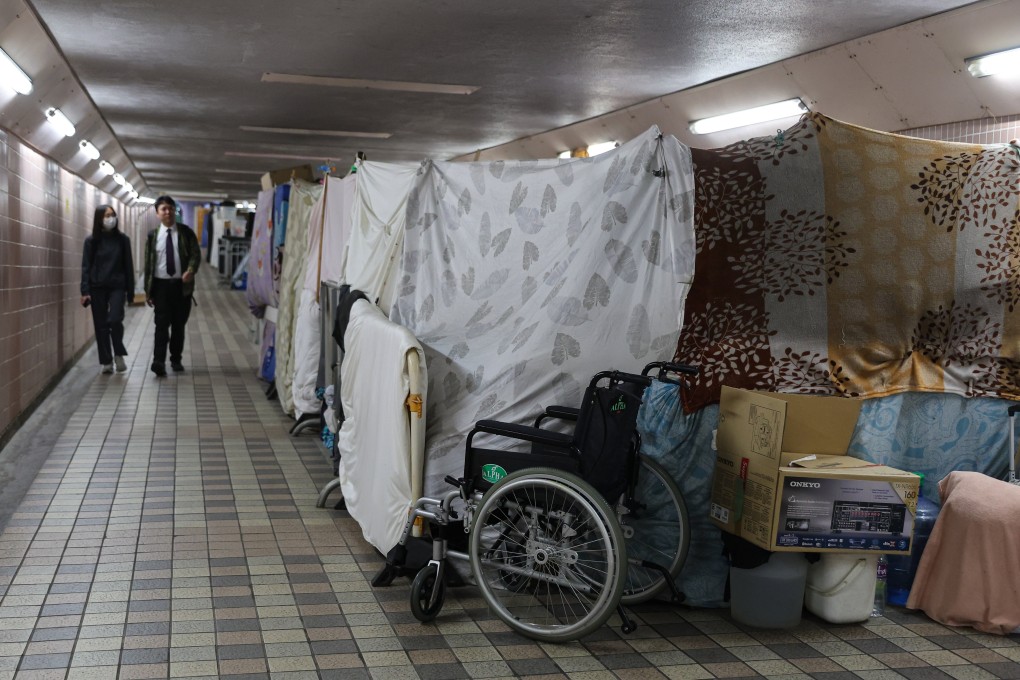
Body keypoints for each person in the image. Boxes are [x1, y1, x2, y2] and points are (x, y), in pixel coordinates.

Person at [143, 195, 201, 377]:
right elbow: (148, 264)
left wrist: (190, 270)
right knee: (161, 325)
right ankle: (158, 361)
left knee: (178, 325)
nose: (168, 212)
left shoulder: (185, 232)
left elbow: (195, 254)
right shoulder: (153, 236)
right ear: (157, 213)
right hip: (160, 286)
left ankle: (176, 359)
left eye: (170, 208)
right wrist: (148, 291)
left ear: (175, 211)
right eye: (163, 209)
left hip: (180, 286)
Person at [80, 205, 134, 374]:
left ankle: (118, 352)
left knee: (115, 319)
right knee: (101, 325)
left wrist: (130, 291)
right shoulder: (91, 241)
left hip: (117, 286)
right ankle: (106, 362)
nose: (111, 218)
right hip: (97, 288)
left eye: (112, 215)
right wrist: (85, 291)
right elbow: (86, 267)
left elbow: (128, 266)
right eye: (107, 216)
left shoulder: (123, 240)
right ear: (99, 219)